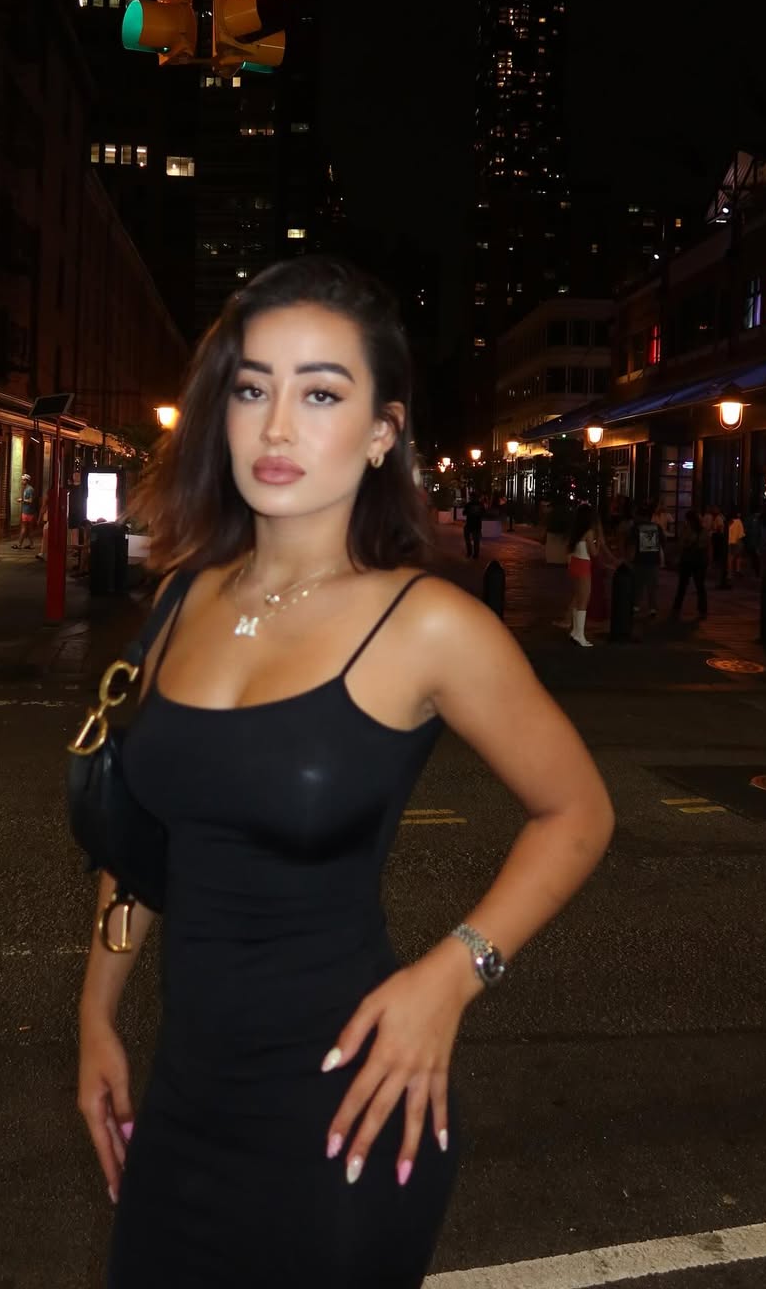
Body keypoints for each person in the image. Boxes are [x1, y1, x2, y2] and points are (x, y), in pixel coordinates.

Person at [76, 257, 615, 1289]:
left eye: (321, 394)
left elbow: (577, 812)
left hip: (345, 1108)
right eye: (252, 389)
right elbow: (143, 842)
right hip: (183, 1105)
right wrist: (96, 1016)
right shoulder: (183, 597)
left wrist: (453, 976)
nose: (277, 426)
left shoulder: (428, 623)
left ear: (380, 432)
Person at [563, 503, 600, 647]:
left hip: (575, 563)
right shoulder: (589, 532)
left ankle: (575, 631)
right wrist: (598, 543)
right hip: (584, 564)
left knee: (578, 597)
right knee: (584, 600)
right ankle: (580, 634)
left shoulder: (575, 532)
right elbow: (594, 552)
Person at [670, 509, 709, 620]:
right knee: (696, 586)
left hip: (691, 560)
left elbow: (682, 544)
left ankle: (678, 608)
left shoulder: (690, 530)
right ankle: (701, 610)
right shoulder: (701, 531)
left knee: (687, 586)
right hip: (696, 560)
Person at [630, 501, 664, 618]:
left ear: (641, 516)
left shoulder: (636, 528)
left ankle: (636, 605)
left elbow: (632, 545)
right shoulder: (657, 527)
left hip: (639, 560)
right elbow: (662, 542)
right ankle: (652, 608)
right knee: (652, 586)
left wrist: (629, 559)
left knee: (638, 584)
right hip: (653, 560)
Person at [15, 473, 36, 549]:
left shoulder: (29, 489)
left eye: (23, 480)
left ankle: (19, 544)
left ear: (27, 481)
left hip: (27, 511)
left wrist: (22, 500)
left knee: (23, 528)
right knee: (29, 529)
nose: (22, 481)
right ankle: (31, 544)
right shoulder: (27, 489)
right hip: (29, 511)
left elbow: (30, 501)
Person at [726, 507, 746, 579]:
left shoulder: (728, 521)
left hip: (728, 541)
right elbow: (741, 534)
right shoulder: (738, 521)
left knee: (730, 558)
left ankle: (729, 574)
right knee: (738, 556)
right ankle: (738, 570)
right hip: (736, 541)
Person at [461, 493, 483, 558]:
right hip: (477, 525)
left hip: (469, 524)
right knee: (476, 541)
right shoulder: (480, 505)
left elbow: (464, 513)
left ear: (471, 497)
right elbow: (484, 513)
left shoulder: (468, 504)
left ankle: (469, 553)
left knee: (468, 540)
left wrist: (469, 512)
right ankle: (475, 554)